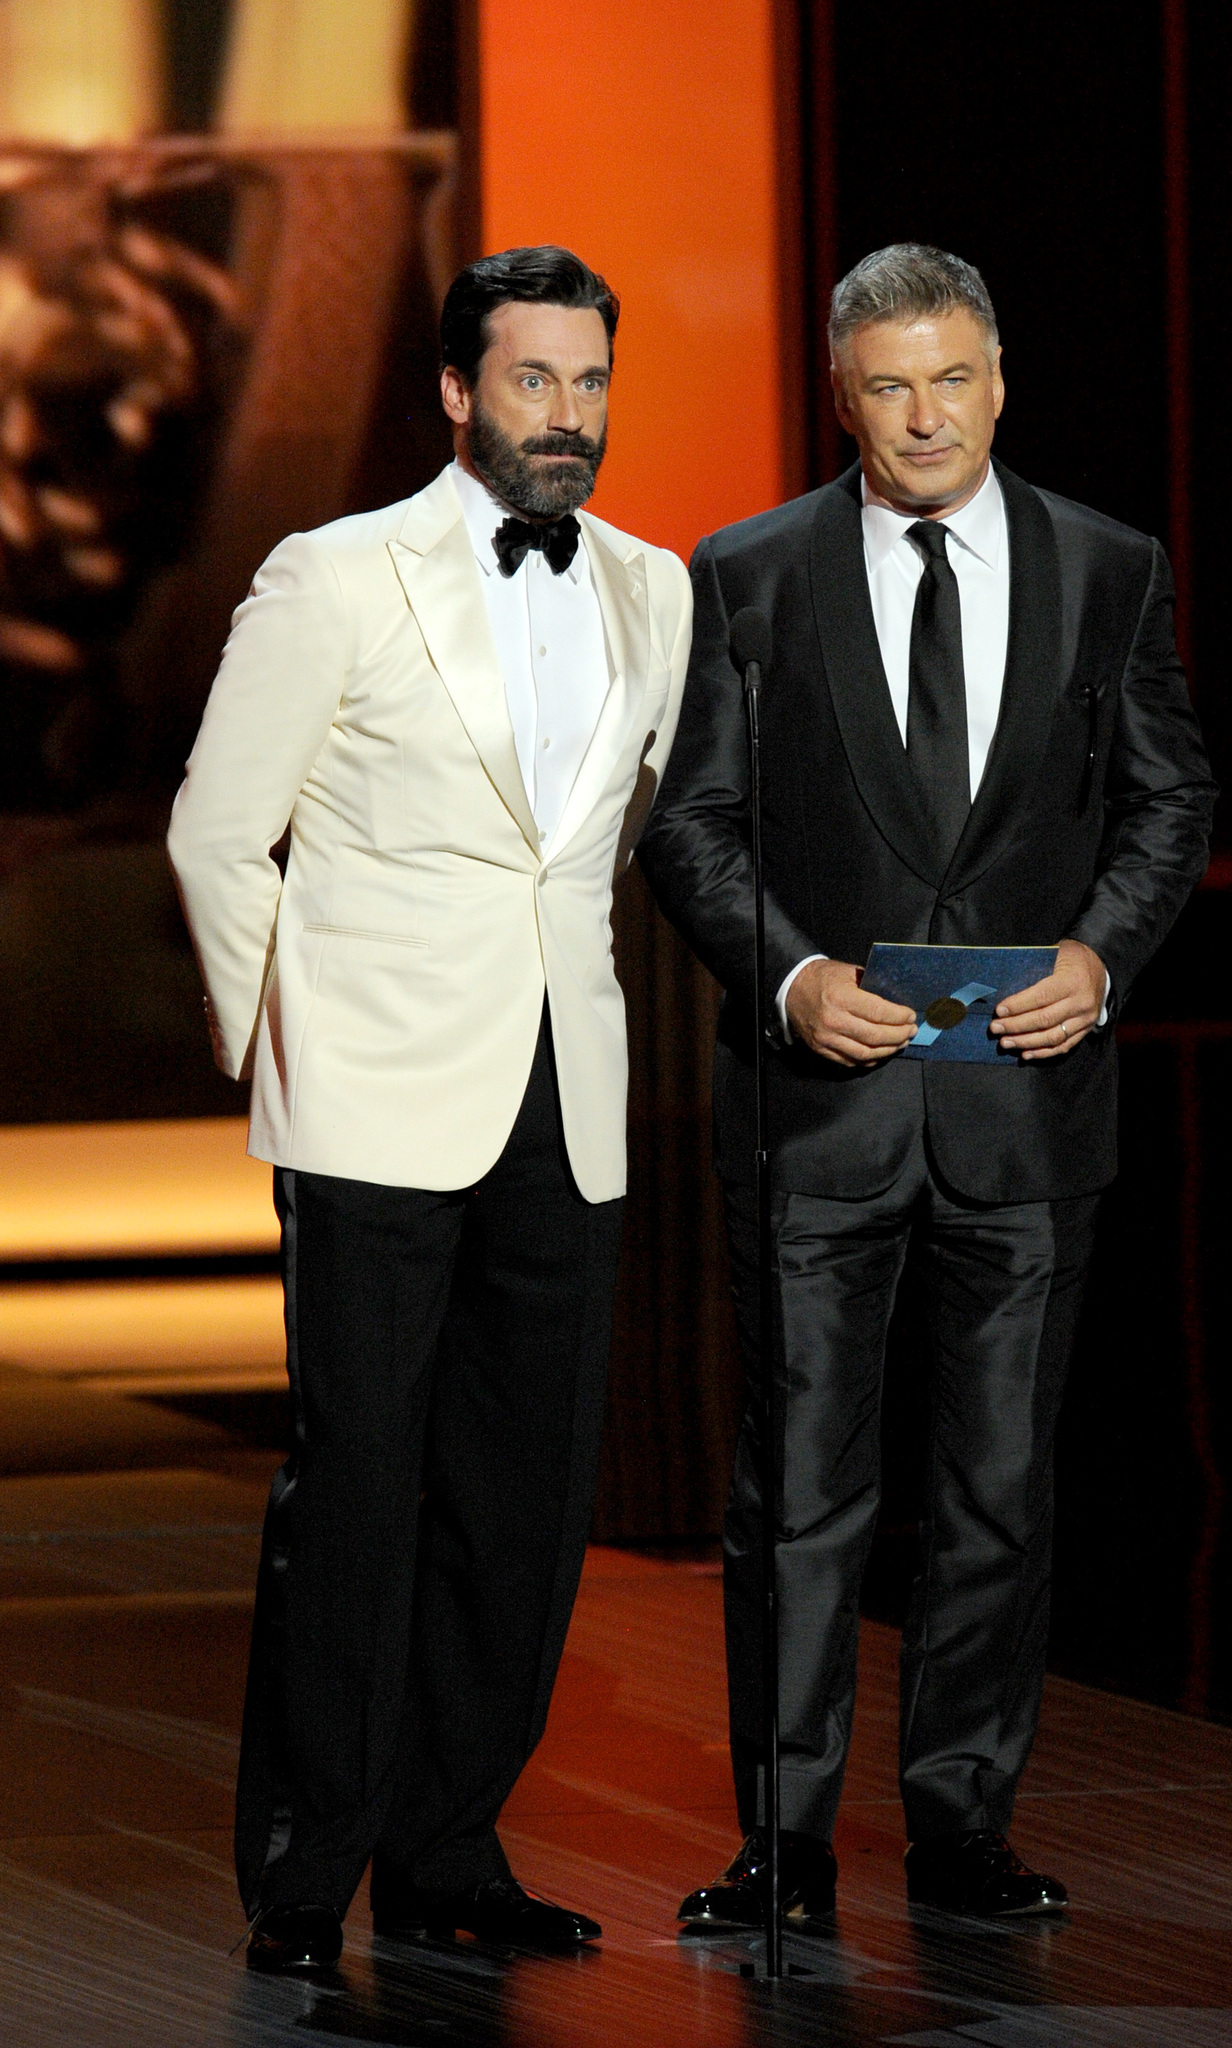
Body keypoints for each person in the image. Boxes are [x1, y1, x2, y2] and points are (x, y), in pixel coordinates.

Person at [639, 244, 1215, 1928]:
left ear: (998, 379)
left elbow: (1169, 799)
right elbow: (692, 823)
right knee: (797, 1493)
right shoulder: (748, 572)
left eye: (950, 379)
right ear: (843, 396)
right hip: (816, 1113)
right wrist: (796, 978)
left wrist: (1099, 962)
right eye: (888, 386)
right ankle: (783, 1842)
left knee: (994, 1490)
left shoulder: (1108, 567)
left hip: (1026, 1117)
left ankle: (961, 1827)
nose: (922, 416)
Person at [169, 246, 692, 1973]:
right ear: (459, 393)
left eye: (591, 382)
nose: (569, 415)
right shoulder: (333, 575)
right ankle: (307, 1877)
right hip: (371, 1105)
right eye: (533, 380)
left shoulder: (651, 587)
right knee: (362, 1486)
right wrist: (288, 1055)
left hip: (567, 1090)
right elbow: (216, 833)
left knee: (524, 1498)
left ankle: (450, 1851)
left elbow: (596, 848)